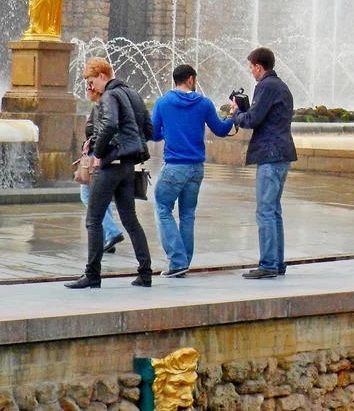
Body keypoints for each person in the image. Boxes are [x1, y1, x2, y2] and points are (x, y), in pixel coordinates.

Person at [65, 58, 153, 289]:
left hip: (110, 165)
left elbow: (111, 124)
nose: (92, 87)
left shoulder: (110, 96)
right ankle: (145, 273)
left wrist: (99, 153)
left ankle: (92, 275)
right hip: (128, 165)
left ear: (103, 76)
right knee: (131, 220)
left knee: (93, 220)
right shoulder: (133, 94)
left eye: (92, 82)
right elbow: (150, 129)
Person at [150, 64, 234, 277]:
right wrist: (233, 114)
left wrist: (167, 132)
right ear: (190, 79)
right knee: (187, 215)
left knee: (162, 209)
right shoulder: (204, 104)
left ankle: (177, 262)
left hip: (174, 167)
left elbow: (153, 133)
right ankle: (184, 261)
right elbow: (221, 130)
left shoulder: (163, 102)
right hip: (196, 168)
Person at [229, 47, 296, 279]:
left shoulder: (265, 86)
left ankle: (268, 264)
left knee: (265, 211)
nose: (251, 73)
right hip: (282, 153)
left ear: (259, 66)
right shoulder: (282, 86)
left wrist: (236, 113)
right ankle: (276, 263)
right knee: (274, 211)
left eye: (251, 68)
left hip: (270, 154)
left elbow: (253, 120)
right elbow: (266, 116)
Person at [80, 92, 124, 257]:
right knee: (103, 199)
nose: (87, 89)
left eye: (90, 85)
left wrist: (92, 149)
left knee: (87, 196)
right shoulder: (114, 104)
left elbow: (98, 131)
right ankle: (107, 239)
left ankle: (112, 233)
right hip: (107, 157)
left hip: (96, 157)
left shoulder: (102, 106)